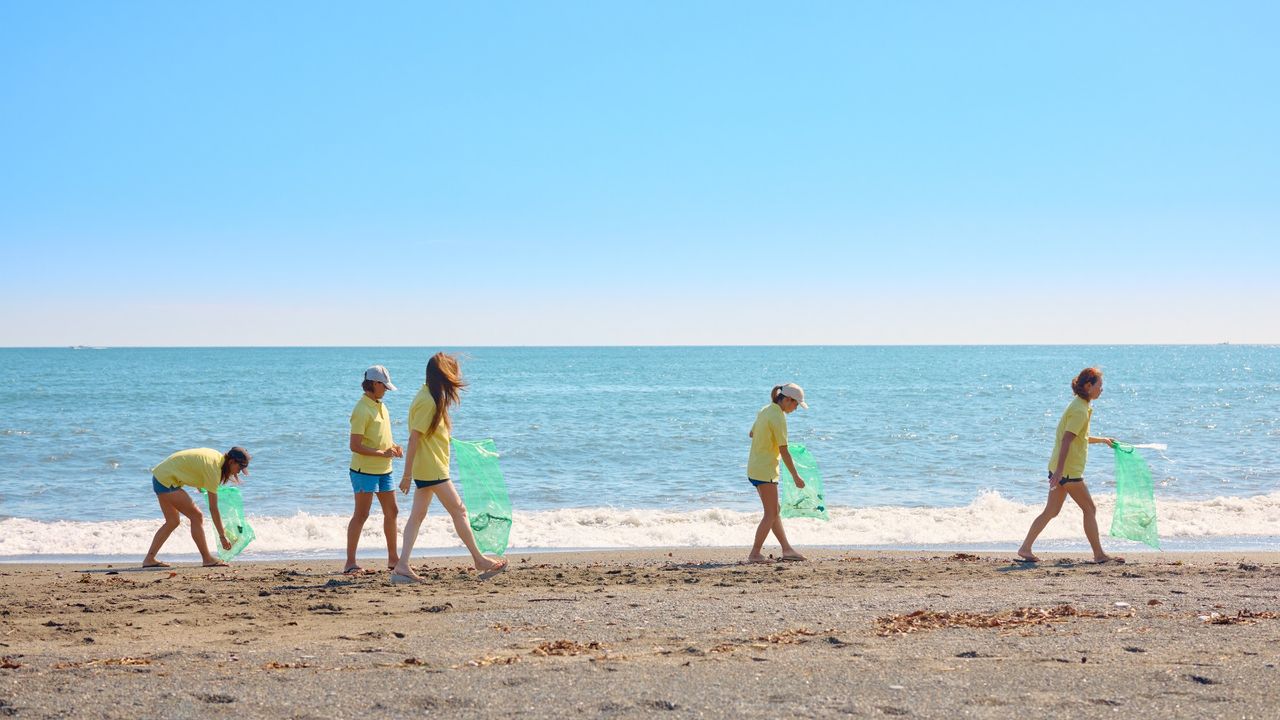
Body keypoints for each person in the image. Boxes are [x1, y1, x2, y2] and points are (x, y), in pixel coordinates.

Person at [391, 353, 507, 582]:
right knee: (459, 511)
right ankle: (479, 560)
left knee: (417, 516)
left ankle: (402, 565)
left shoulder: (429, 396)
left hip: (430, 467)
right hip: (432, 469)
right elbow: (414, 438)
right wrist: (406, 475)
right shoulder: (428, 401)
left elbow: (428, 436)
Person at [1017, 367, 1124, 564]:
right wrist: (1059, 472)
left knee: (1051, 511)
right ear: (1088, 386)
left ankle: (1025, 548)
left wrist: (1102, 440)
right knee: (1090, 509)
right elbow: (1067, 440)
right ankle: (1099, 555)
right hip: (1068, 471)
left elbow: (1078, 438)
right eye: (1100, 385)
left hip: (1061, 469)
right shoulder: (1080, 410)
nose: (1102, 389)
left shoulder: (1080, 405)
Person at [142, 446, 251, 568]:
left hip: (160, 476)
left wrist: (200, 485)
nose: (238, 472)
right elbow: (213, 508)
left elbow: (194, 466)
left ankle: (149, 559)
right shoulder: (214, 469)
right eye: (240, 468)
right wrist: (222, 536)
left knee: (172, 521)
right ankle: (207, 559)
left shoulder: (216, 457)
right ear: (231, 462)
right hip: (166, 480)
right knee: (196, 516)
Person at [345, 365, 404, 574]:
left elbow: (381, 438)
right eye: (384, 386)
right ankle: (350, 562)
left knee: (393, 511)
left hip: (384, 470)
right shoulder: (361, 409)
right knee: (361, 514)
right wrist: (382, 453)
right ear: (374, 384)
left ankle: (393, 559)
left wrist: (394, 446)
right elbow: (355, 445)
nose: (386, 390)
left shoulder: (381, 406)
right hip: (364, 471)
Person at [746, 383, 808, 564]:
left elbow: (751, 433)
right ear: (787, 400)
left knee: (775, 511)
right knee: (771, 513)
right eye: (796, 404)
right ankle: (755, 554)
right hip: (765, 469)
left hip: (755, 466)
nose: (796, 408)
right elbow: (784, 450)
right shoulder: (778, 417)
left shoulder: (766, 410)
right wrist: (796, 477)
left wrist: (765, 439)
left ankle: (787, 549)